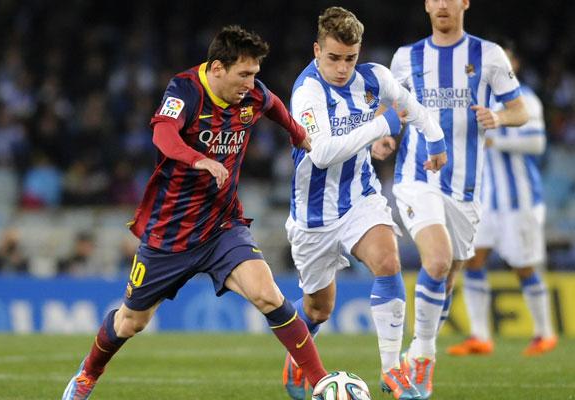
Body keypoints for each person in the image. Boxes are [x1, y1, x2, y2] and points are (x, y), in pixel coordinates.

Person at [62, 25, 329, 400]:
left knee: (269, 296)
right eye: (244, 74)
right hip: (170, 233)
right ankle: (88, 374)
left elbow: (274, 106)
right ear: (217, 68)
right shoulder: (186, 89)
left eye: (255, 74)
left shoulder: (252, 94)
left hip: (222, 226)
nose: (252, 83)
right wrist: (198, 159)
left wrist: (297, 132)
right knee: (131, 321)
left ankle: (321, 383)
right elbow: (163, 135)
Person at [283, 7, 447, 400]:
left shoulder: (375, 77)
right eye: (334, 58)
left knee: (388, 261)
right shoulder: (306, 92)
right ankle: (298, 352)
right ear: (317, 50)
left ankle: (392, 372)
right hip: (313, 215)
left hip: (360, 197)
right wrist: (380, 126)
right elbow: (322, 153)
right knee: (319, 309)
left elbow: (409, 105)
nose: (342, 68)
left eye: (350, 58)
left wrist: (435, 138)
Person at [389, 1, 529, 398]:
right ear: (427, 5)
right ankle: (424, 360)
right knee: (435, 259)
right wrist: (384, 133)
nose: (444, 5)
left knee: (447, 277)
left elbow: (519, 110)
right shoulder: (406, 58)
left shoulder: (489, 55)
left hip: (467, 189)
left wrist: (500, 118)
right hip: (418, 177)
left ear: (465, 2)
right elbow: (393, 108)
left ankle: (415, 350)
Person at [447, 42, 557, 357]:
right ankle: (480, 336)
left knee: (522, 265)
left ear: (514, 64)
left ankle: (544, 333)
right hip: (486, 200)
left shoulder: (527, 101)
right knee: (473, 259)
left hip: (519, 199)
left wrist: (496, 137)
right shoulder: (480, 100)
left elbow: (537, 143)